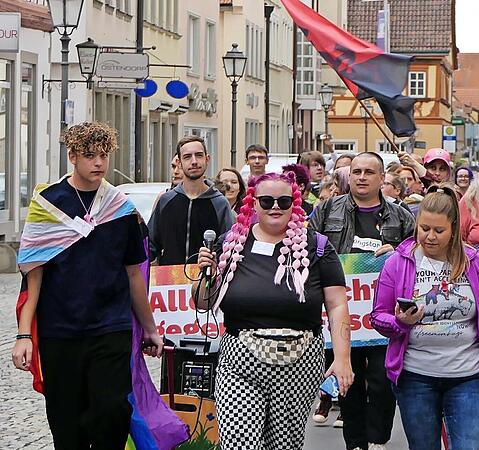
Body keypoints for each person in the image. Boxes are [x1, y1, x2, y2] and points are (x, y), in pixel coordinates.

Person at [12, 122, 164, 448]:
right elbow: (33, 276)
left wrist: (150, 327)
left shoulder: (120, 208)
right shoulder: (48, 205)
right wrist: (24, 335)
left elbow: (133, 273)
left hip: (111, 326)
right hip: (60, 330)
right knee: (66, 423)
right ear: (72, 156)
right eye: (90, 155)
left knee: (112, 411)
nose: (98, 163)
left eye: (103, 155)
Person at [195, 171, 354, 449]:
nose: (275, 207)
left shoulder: (316, 246)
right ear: (253, 203)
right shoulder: (230, 244)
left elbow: (338, 304)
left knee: (283, 445)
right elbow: (202, 302)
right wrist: (205, 274)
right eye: (267, 201)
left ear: (295, 202)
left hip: (300, 361)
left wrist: (342, 358)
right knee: (239, 443)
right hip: (240, 360)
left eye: (283, 201)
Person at [371, 185, 479, 449]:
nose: (429, 237)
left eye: (439, 231)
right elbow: (377, 317)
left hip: (467, 376)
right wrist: (400, 323)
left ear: (453, 230)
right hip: (415, 375)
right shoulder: (397, 262)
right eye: (424, 228)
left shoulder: (476, 262)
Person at [309, 152, 415, 450]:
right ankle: (355, 443)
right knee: (348, 381)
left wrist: (396, 248)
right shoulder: (328, 210)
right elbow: (306, 247)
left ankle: (378, 439)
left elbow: (417, 253)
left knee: (382, 380)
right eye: (356, 171)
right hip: (342, 314)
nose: (362, 177)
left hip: (384, 314)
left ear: (382, 178)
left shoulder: (401, 215)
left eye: (369, 172)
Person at [148, 135, 235, 265]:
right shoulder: (166, 201)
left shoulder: (220, 203)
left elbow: (229, 247)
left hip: (206, 280)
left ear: (207, 159)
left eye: (199, 155)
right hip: (169, 281)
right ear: (179, 163)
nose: (194, 161)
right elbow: (150, 245)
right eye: (187, 157)